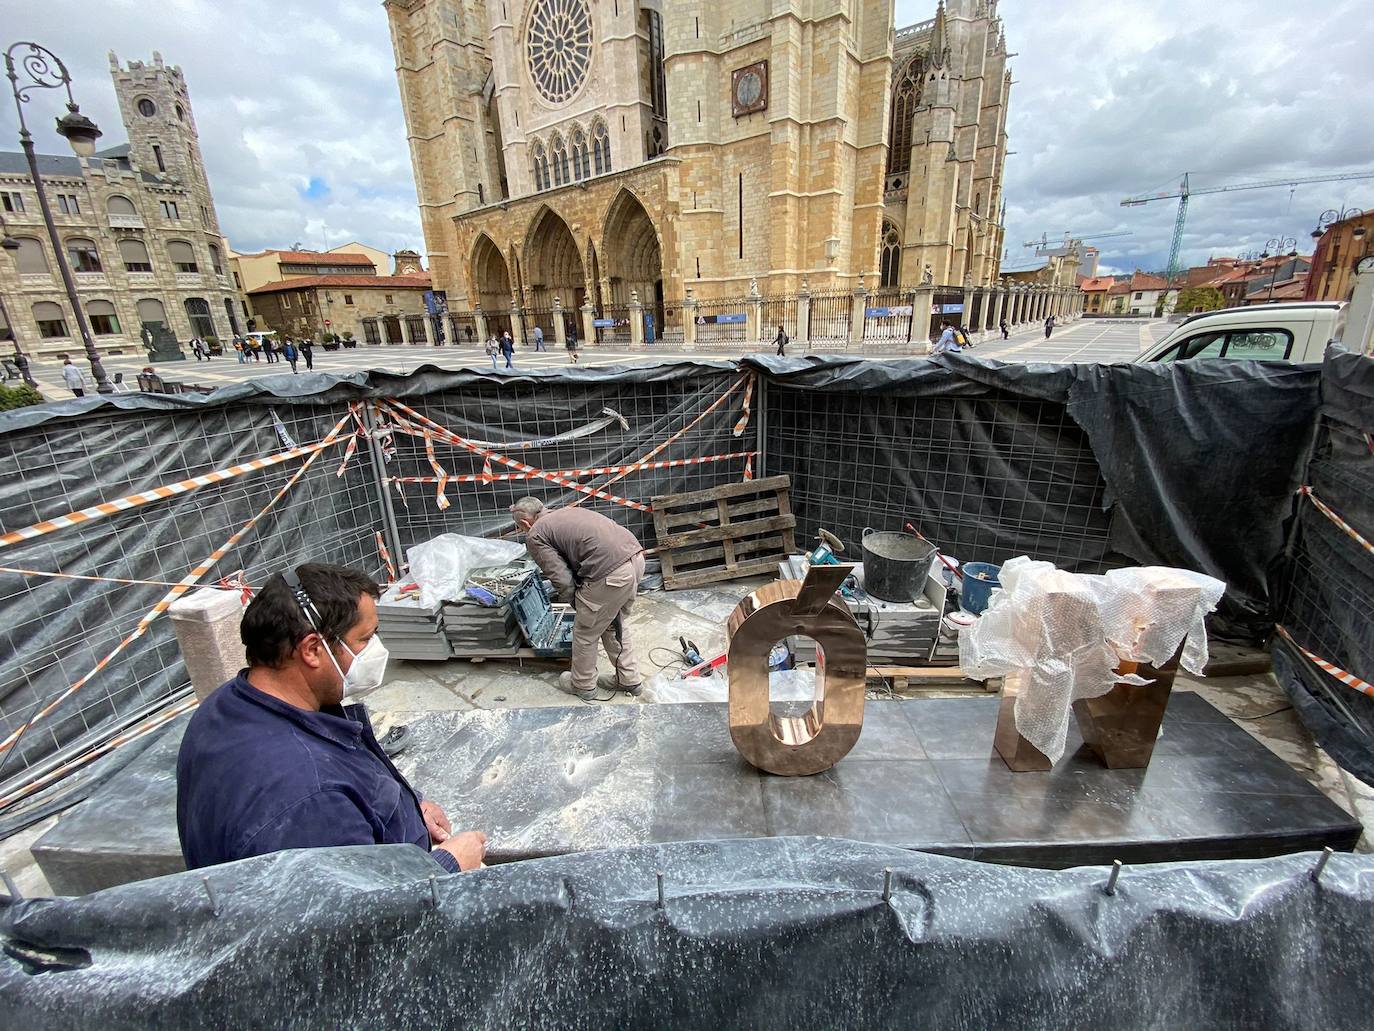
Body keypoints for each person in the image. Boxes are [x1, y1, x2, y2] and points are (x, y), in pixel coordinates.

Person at [176, 563, 487, 874]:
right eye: (365, 639)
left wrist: (409, 807)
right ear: (312, 649)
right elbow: (362, 913)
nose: (377, 651)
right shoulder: (307, 799)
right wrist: (448, 865)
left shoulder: (230, 705)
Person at [511, 498, 645, 701]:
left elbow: (561, 578)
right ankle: (629, 680)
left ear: (526, 523)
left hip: (610, 573)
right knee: (613, 623)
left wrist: (580, 605)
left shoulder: (535, 533)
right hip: (635, 559)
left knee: (585, 632)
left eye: (520, 528)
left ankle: (582, 685)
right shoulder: (565, 513)